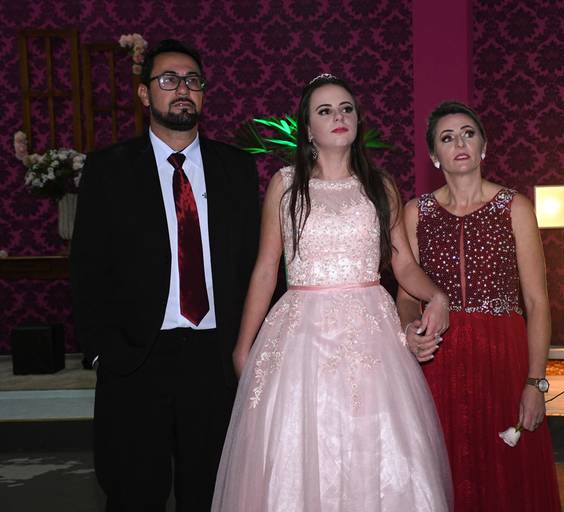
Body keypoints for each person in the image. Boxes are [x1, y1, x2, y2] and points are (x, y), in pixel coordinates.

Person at [211, 74, 452, 511]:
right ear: (308, 128)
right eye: (325, 111)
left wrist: (437, 296)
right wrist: (243, 346)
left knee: (375, 447)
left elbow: (403, 265)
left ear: (358, 119)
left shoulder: (381, 186)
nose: (338, 116)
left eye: (346, 108)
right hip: (300, 336)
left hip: (371, 335)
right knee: (299, 448)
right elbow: (266, 269)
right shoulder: (286, 185)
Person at [70, 39, 262, 511]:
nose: (183, 89)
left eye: (193, 81)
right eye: (169, 80)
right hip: (137, 357)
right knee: (134, 492)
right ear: (144, 94)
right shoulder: (108, 169)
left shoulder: (237, 168)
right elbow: (88, 267)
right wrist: (102, 352)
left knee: (213, 492)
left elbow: (256, 263)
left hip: (215, 358)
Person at [397, 101, 562, 511]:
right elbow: (406, 297)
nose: (460, 143)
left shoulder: (515, 207)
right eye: (447, 137)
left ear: (483, 146)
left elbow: (537, 302)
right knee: (445, 471)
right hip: (439, 360)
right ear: (434, 155)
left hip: (503, 358)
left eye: (468, 133)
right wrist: (410, 330)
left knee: (507, 476)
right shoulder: (416, 213)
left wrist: (535, 383)